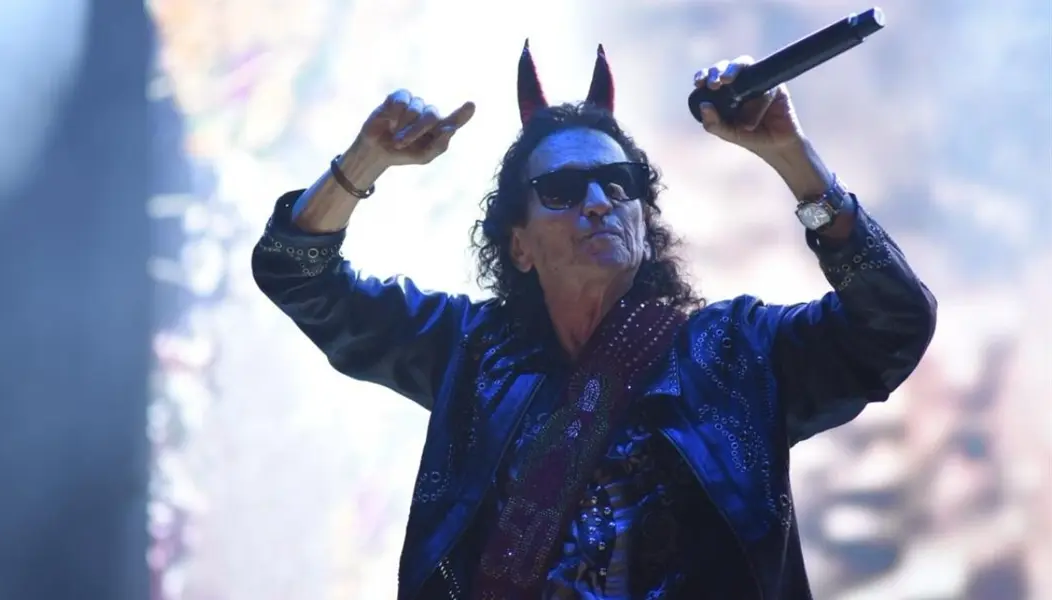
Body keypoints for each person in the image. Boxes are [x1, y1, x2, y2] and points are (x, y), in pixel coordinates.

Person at [251, 42, 937, 600]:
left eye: (619, 183)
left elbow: (895, 323)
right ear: (518, 245)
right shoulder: (465, 350)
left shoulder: (737, 353)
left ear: (644, 219)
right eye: (561, 189)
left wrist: (790, 154)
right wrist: (364, 161)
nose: (600, 201)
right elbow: (297, 275)